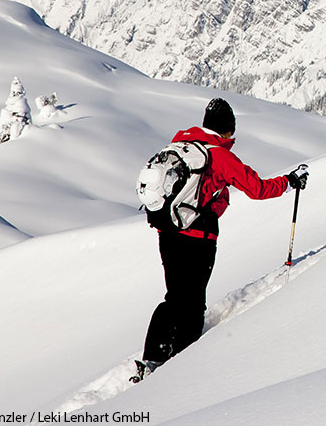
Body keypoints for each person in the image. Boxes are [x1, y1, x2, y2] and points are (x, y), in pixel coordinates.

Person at [132, 98, 309, 383]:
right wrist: (289, 182)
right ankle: (182, 364)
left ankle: (154, 356)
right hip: (198, 237)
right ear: (228, 129)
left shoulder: (180, 145)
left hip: (168, 232)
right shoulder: (219, 156)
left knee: (175, 297)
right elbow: (258, 189)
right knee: (192, 303)